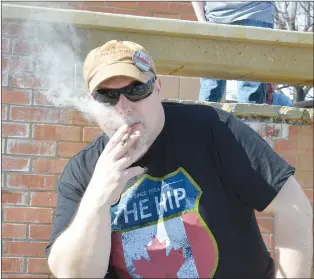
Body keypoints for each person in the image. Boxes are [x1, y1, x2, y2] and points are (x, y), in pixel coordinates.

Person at [46, 40, 312, 278]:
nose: (124, 106)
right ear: (92, 104)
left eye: (137, 90)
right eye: (108, 96)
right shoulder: (84, 170)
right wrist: (96, 201)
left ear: (158, 87)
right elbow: (71, 273)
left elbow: (292, 205)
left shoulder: (210, 129)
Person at [191, 2, 276, 104]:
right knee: (248, 92)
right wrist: (202, 20)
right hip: (250, 14)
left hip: (246, 13)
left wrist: (202, 20)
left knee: (211, 89)